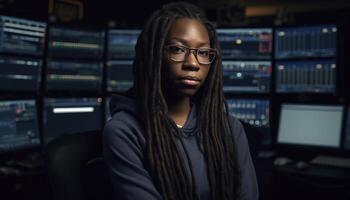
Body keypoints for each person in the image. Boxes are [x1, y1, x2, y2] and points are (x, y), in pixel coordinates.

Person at [103, 2, 259, 200]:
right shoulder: (125, 131)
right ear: (153, 55)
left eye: (203, 53)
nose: (192, 64)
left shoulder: (229, 128)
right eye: (177, 49)